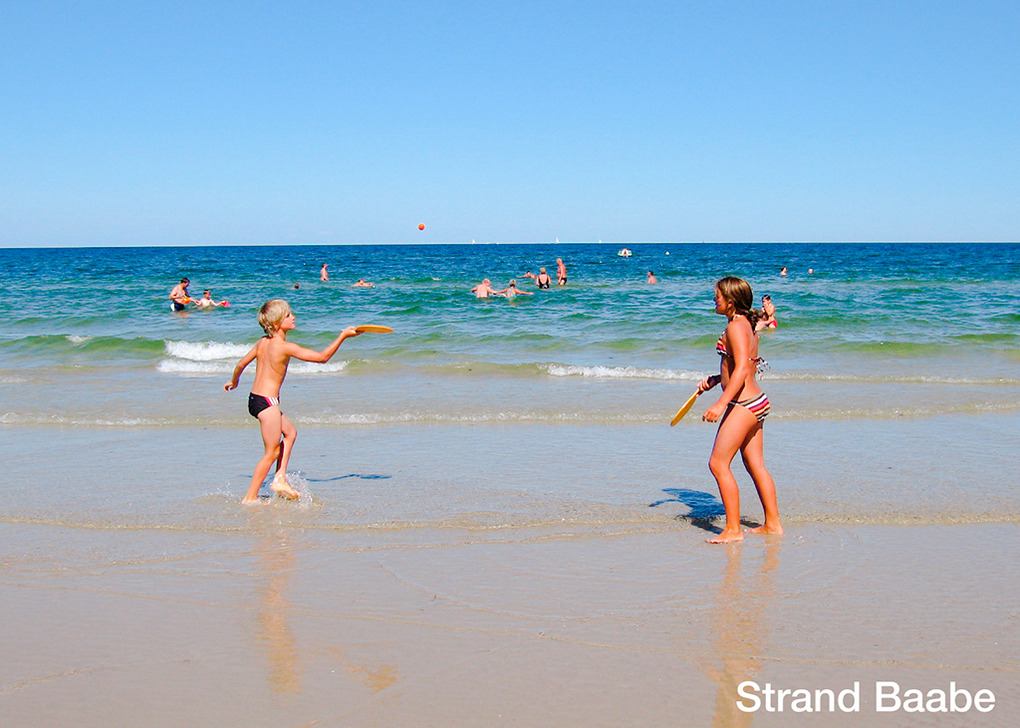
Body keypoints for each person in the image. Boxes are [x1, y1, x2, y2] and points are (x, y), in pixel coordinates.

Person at [224, 300, 362, 504]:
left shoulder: (262, 342)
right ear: (277, 323)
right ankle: (250, 497)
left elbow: (241, 364)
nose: (293, 317)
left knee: (290, 433)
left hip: (256, 399)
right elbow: (322, 358)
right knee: (271, 453)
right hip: (268, 403)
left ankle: (279, 478)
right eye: (288, 315)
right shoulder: (285, 347)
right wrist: (342, 336)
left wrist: (234, 381)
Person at [697, 276, 783, 544]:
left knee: (718, 463)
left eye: (717, 296)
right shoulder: (746, 323)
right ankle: (773, 524)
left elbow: (744, 368)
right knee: (755, 464)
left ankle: (733, 530)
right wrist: (716, 380)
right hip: (757, 401)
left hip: (743, 405)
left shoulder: (736, 326)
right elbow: (741, 365)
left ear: (731, 301)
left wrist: (721, 403)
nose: (714, 300)